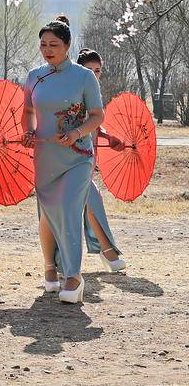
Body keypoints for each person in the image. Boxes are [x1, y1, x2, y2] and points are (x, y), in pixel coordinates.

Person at [23, 16, 104, 304]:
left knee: (69, 207)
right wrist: (28, 131)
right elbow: (28, 112)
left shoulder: (84, 77)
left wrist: (77, 132)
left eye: (53, 44)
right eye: (43, 44)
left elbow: (97, 115)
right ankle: (49, 267)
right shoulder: (34, 76)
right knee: (48, 213)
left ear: (67, 46)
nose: (47, 49)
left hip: (78, 156)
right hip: (45, 157)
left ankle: (73, 276)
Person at [73, 49, 127, 272]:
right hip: (73, 157)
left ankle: (64, 261)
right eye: (89, 71)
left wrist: (107, 136)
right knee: (91, 201)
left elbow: (95, 121)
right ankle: (108, 251)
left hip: (89, 158)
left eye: (98, 71)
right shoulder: (74, 92)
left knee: (85, 206)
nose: (94, 75)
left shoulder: (94, 93)